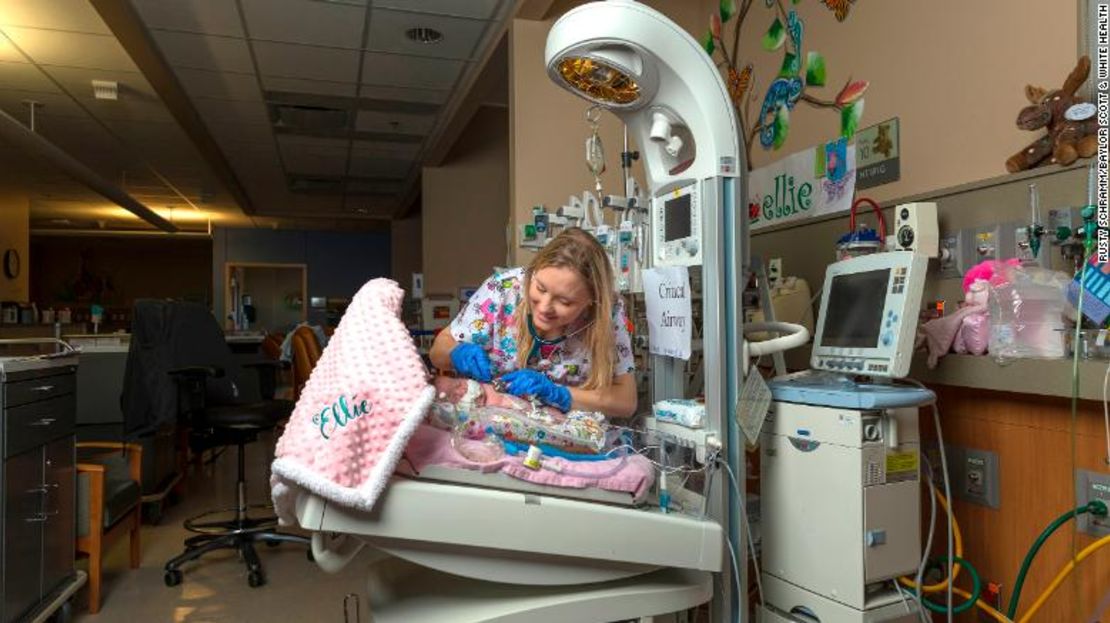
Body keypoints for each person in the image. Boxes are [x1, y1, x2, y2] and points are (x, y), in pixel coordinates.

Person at [429, 228, 637, 419]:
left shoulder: (607, 312)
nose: (545, 307)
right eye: (540, 288)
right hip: (489, 426)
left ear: (591, 300)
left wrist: (561, 395)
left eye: (564, 301)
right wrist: (457, 353)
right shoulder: (503, 289)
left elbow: (626, 402)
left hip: (567, 436)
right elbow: (437, 353)